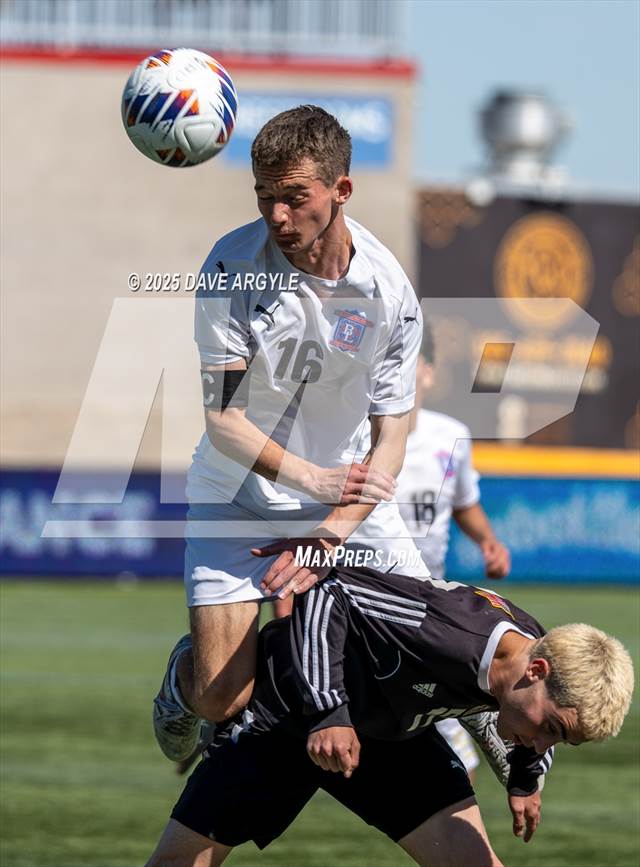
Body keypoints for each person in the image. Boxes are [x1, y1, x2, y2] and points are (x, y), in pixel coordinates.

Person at [153, 105, 430, 764]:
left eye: (294, 197)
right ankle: (181, 681)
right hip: (237, 498)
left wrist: (336, 520)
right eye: (265, 197)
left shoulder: (389, 291)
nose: (277, 215)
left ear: (341, 190)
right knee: (221, 697)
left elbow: (392, 433)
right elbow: (223, 421)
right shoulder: (230, 265)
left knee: (428, 639)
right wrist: (312, 479)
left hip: (343, 505)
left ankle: (515, 738)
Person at [145, 565, 634, 867]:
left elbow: (532, 729)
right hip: (290, 709)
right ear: (537, 670)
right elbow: (329, 592)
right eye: (551, 730)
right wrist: (329, 711)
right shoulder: (449, 633)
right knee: (180, 863)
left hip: (390, 731)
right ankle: (187, 674)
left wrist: (525, 776)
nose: (544, 743)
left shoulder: (528, 662)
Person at [397, 320, 511, 781]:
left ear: (428, 372)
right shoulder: (354, 436)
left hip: (430, 595)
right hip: (369, 591)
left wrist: (487, 539)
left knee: (443, 724)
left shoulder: (451, 436)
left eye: (411, 364)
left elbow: (465, 504)